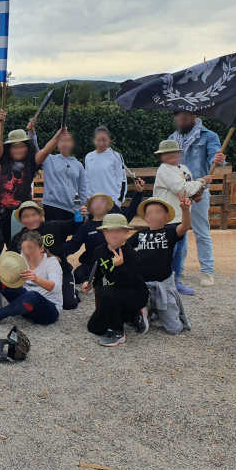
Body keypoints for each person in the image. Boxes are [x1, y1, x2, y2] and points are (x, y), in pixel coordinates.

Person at [168, 112, 226, 289]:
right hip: (179, 192)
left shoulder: (209, 136)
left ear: (193, 116)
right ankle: (178, 269)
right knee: (178, 232)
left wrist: (218, 160)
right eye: (178, 118)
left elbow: (214, 161)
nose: (180, 121)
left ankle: (207, 271)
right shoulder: (172, 138)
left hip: (199, 191)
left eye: (184, 118)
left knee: (201, 231)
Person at [0, 111, 54, 256]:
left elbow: (45, 151)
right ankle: (2, 268)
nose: (18, 149)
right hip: (5, 210)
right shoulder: (4, 161)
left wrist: (59, 134)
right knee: (6, 241)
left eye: (21, 146)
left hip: (24, 210)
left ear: (26, 147)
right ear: (9, 148)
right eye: (14, 146)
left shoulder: (31, 162)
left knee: (24, 243)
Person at [152, 139, 210, 296]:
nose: (172, 155)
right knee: (168, 251)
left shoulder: (184, 168)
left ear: (179, 153)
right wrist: (202, 181)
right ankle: (164, 282)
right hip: (166, 218)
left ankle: (176, 281)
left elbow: (189, 191)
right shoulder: (164, 170)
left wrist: (198, 193)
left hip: (182, 217)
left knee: (180, 251)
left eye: (175, 152)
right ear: (161, 156)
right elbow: (182, 188)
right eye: (167, 153)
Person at [128, 196, 192, 335]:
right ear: (145, 217)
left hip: (163, 284)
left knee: (174, 329)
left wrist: (185, 210)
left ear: (166, 216)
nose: (154, 215)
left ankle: (155, 312)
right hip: (142, 284)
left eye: (158, 211)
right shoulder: (140, 234)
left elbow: (185, 227)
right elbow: (125, 248)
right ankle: (144, 309)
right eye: (150, 212)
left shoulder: (170, 231)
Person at [82, 213, 148, 347]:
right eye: (109, 231)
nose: (114, 234)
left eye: (118, 231)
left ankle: (118, 331)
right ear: (104, 233)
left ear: (126, 233)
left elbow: (128, 282)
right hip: (111, 295)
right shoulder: (99, 251)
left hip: (133, 293)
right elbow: (98, 274)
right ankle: (128, 316)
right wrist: (90, 283)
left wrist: (117, 267)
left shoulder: (131, 254)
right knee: (94, 328)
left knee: (108, 291)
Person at [64, 184, 145, 284]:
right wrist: (56, 253)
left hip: (115, 261)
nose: (98, 205)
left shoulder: (115, 221)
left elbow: (130, 212)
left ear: (107, 206)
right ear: (90, 207)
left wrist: (138, 193)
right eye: (95, 202)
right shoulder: (86, 227)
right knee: (78, 274)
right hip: (92, 263)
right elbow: (73, 244)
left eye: (102, 202)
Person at [41, 130, 89, 221]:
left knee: (72, 235)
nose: (65, 143)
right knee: (53, 234)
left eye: (68, 141)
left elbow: (82, 190)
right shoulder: (48, 159)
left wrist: (79, 209)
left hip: (72, 210)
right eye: (62, 140)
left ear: (73, 144)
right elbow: (34, 150)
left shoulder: (78, 165)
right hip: (51, 207)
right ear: (57, 144)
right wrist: (32, 133)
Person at [84, 126, 130, 210]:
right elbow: (87, 180)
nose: (101, 143)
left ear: (109, 140)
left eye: (104, 140)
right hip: (94, 203)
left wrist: (118, 201)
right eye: (98, 140)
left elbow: (122, 180)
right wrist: (89, 199)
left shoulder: (116, 156)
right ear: (94, 140)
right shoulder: (88, 157)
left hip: (111, 203)